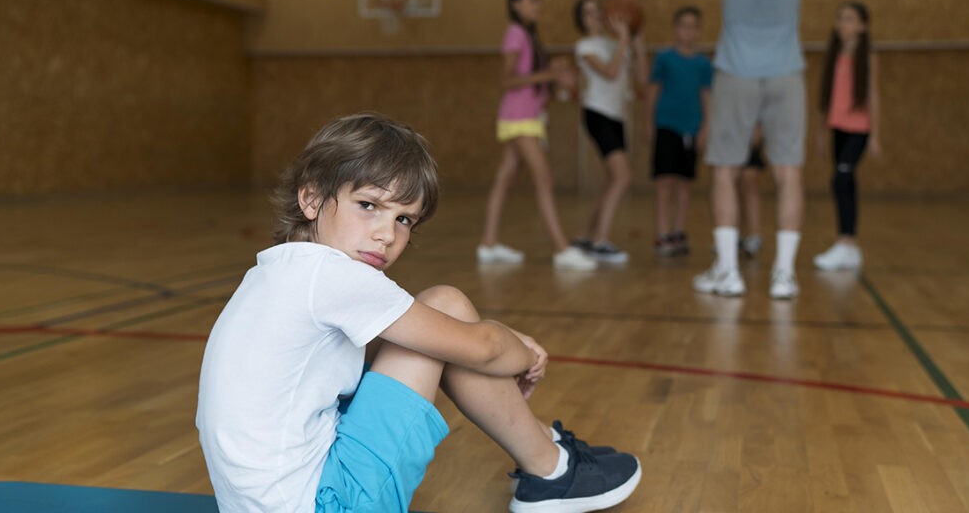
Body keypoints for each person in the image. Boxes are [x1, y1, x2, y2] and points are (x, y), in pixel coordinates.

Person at [196, 113, 642, 513]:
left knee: (430, 328)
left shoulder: (276, 270)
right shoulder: (333, 277)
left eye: (404, 219)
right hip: (328, 504)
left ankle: (543, 445)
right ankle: (550, 468)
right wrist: (525, 352)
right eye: (368, 206)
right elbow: (485, 351)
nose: (386, 235)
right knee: (444, 305)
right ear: (311, 199)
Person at [693, 0, 814, 299]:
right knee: (788, 172)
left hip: (736, 71)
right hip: (786, 73)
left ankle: (729, 272)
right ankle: (783, 275)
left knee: (725, 170)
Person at [479, 0, 597, 270]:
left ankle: (488, 243)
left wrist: (555, 78)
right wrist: (548, 74)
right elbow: (506, 80)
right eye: (533, 0)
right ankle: (561, 249)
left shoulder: (529, 35)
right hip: (519, 119)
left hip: (526, 117)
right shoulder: (516, 33)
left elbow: (533, 82)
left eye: (539, 1)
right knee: (544, 178)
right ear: (516, 3)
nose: (538, 6)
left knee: (505, 178)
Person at [571, 0, 648, 264]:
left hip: (617, 117)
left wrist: (636, 43)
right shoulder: (584, 46)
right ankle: (600, 242)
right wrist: (624, 41)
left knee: (613, 180)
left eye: (598, 10)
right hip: (596, 114)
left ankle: (585, 236)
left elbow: (642, 80)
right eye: (588, 12)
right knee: (623, 176)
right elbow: (611, 72)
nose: (595, 16)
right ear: (581, 20)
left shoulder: (616, 43)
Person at [813, 1, 881, 270]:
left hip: (860, 130)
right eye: (840, 18)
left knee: (842, 178)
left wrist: (875, 134)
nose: (843, 23)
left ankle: (845, 242)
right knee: (844, 182)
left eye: (850, 19)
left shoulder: (868, 57)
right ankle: (849, 247)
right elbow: (826, 98)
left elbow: (874, 95)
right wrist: (820, 132)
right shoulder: (834, 55)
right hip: (837, 127)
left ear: (862, 25)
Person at [644, 6, 713, 257]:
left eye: (693, 26)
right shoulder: (664, 58)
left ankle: (678, 231)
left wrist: (705, 128)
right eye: (683, 25)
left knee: (685, 183)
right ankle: (662, 233)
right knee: (664, 181)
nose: (688, 31)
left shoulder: (703, 63)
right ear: (676, 29)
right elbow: (653, 90)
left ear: (698, 30)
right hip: (666, 125)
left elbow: (706, 96)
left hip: (691, 128)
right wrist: (649, 122)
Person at [738, 132, 765, 258]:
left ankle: (754, 235)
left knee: (749, 181)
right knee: (731, 185)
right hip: (730, 130)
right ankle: (735, 234)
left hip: (750, 130)